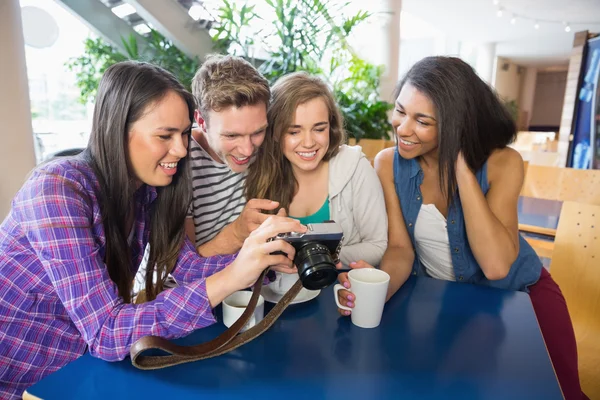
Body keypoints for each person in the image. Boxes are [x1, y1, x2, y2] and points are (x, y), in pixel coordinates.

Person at [0, 61, 303, 400]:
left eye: (185, 133)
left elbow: (185, 268)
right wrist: (233, 275)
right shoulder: (56, 190)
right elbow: (107, 332)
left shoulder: (147, 191)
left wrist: (260, 261)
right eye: (165, 136)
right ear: (117, 129)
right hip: (21, 382)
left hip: (79, 371)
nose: (182, 149)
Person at [336, 56, 585, 399]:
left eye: (422, 120)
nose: (402, 128)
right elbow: (400, 250)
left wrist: (463, 170)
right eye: (400, 110)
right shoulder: (388, 164)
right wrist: (376, 294)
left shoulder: (503, 163)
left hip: (522, 299)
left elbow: (497, 267)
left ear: (455, 124)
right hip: (445, 302)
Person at [246, 72, 387, 267]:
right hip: (278, 294)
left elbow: (377, 245)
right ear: (275, 133)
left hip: (338, 290)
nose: (309, 142)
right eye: (294, 131)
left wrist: (309, 258)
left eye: (319, 129)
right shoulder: (258, 171)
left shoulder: (354, 165)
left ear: (331, 127)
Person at [184, 54, 279, 256]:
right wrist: (237, 233)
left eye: (257, 132)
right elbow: (178, 272)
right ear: (201, 121)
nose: (247, 150)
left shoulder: (266, 147)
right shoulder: (179, 163)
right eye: (231, 135)